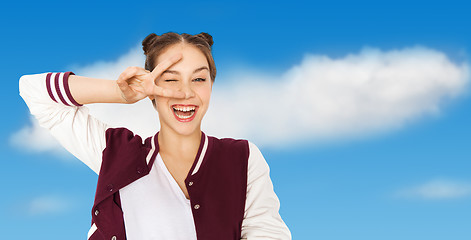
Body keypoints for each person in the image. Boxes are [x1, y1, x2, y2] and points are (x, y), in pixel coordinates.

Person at [19, 32, 291, 240]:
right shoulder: (115, 153)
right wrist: (121, 94)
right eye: (170, 80)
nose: (185, 92)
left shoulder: (242, 157)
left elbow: (266, 233)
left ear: (211, 85)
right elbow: (34, 91)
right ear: (150, 88)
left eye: (199, 79)